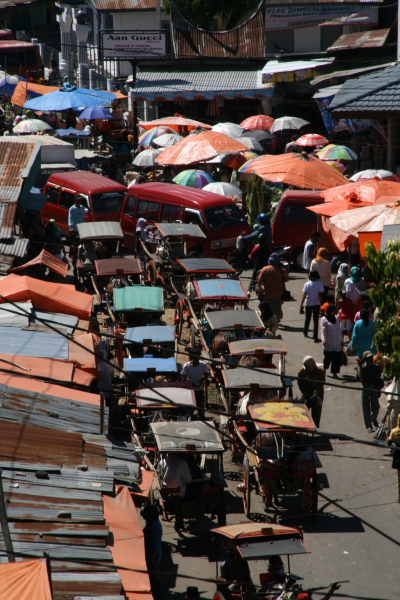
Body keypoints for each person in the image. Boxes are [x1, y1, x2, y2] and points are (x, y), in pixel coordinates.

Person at [257, 253, 289, 323]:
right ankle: (277, 320)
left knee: (271, 308)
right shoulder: (281, 270)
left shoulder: (265, 269)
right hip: (280, 293)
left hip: (268, 293)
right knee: (278, 307)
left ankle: (273, 321)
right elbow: (287, 279)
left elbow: (259, 280)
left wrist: (260, 288)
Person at [358, 350, 383, 432]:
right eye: (368, 358)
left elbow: (379, 378)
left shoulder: (376, 367)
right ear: (365, 359)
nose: (371, 359)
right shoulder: (363, 367)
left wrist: (379, 390)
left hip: (374, 388)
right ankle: (369, 426)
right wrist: (360, 366)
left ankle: (373, 419)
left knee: (376, 407)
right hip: (366, 388)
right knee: (366, 408)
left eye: (371, 357)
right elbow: (360, 376)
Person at [298, 355, 325, 427]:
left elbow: (322, 382)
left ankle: (314, 426)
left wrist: (317, 391)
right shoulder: (302, 371)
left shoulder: (319, 371)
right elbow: (300, 382)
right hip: (306, 394)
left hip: (317, 395)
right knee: (304, 411)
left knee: (316, 412)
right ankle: (304, 425)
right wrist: (304, 392)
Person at [142, 504, 162, 600]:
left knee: (154, 580)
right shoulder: (154, 523)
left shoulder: (152, 527)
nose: (143, 516)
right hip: (154, 556)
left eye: (145, 514)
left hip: (152, 558)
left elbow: (153, 546)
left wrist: (151, 560)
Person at [181, 348, 210, 413]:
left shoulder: (203, 365)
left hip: (199, 390)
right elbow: (183, 376)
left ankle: (201, 417)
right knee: (190, 409)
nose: (196, 358)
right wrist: (190, 383)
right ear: (191, 357)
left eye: (198, 356)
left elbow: (206, 375)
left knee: (201, 408)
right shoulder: (187, 366)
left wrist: (200, 382)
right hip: (190, 390)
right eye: (195, 356)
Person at [300, 270, 324, 342]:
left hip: (308, 303)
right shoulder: (320, 284)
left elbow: (304, 295)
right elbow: (320, 295)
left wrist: (301, 304)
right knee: (315, 320)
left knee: (307, 318)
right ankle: (315, 335)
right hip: (316, 303)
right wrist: (321, 305)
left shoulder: (307, 284)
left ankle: (305, 332)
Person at [321, 304, 342, 379]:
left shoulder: (337, 319)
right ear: (330, 311)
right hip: (329, 343)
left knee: (336, 358)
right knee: (328, 358)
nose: (335, 312)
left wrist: (341, 340)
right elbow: (323, 331)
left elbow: (339, 330)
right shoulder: (324, 319)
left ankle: (334, 373)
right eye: (334, 311)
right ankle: (324, 370)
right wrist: (324, 340)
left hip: (337, 342)